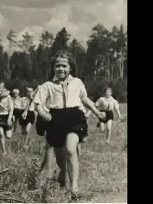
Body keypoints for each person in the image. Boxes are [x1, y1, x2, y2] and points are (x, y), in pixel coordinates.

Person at [33, 50, 105, 200]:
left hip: (74, 118)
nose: (61, 69)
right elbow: (38, 103)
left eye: (64, 65)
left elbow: (85, 99)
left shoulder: (77, 82)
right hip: (55, 120)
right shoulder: (47, 86)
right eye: (57, 65)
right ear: (53, 68)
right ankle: (63, 179)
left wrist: (97, 113)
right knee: (61, 161)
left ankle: (74, 188)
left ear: (70, 67)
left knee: (71, 149)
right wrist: (43, 114)